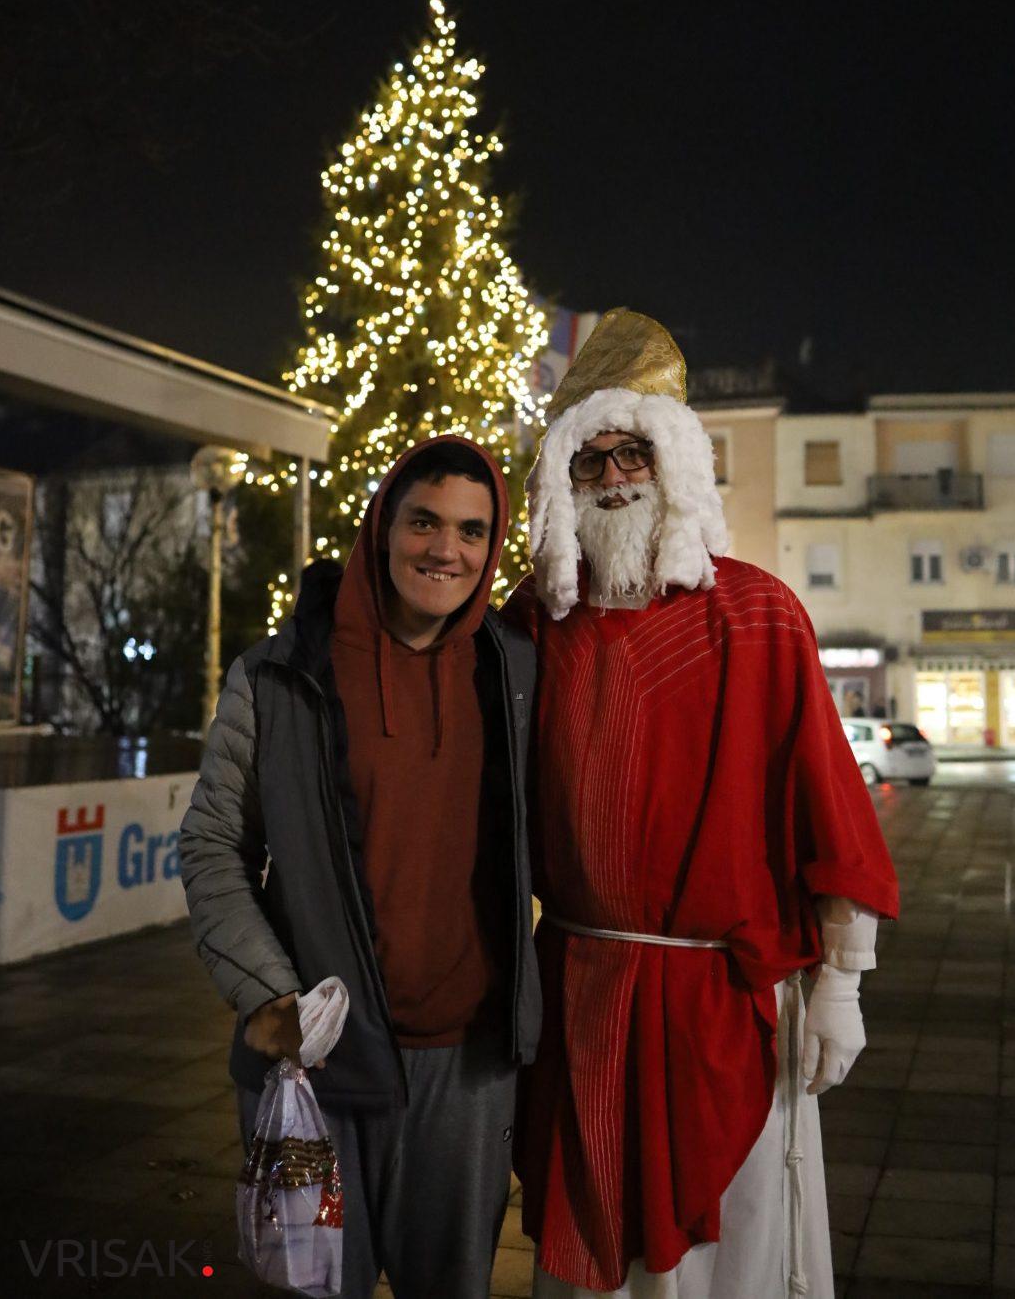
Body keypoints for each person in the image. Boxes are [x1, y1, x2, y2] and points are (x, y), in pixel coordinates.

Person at [504, 310, 899, 1299]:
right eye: (587, 462)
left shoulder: (759, 613)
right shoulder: (531, 626)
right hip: (582, 1000)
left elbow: (827, 805)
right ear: (560, 479)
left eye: (632, 452)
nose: (612, 478)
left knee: (736, 1261)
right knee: (593, 1252)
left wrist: (843, 982)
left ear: (673, 463)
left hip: (724, 1009)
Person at [180, 436, 540, 1299]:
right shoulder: (278, 673)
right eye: (423, 521)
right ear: (383, 526)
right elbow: (212, 843)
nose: (444, 550)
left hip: (469, 1065)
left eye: (471, 530)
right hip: (317, 1064)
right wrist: (268, 997)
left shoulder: (515, 670)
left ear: (493, 550)